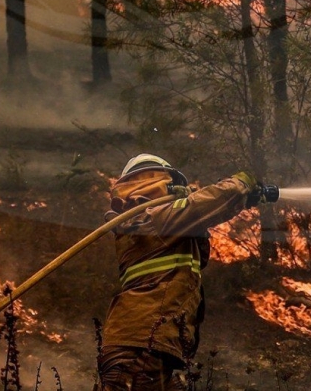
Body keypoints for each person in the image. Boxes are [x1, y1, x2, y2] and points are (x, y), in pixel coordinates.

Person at [96, 154, 276, 390]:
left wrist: (239, 201)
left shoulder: (149, 223)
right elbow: (199, 207)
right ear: (154, 182)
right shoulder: (152, 219)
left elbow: (199, 228)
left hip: (142, 346)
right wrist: (241, 183)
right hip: (139, 349)